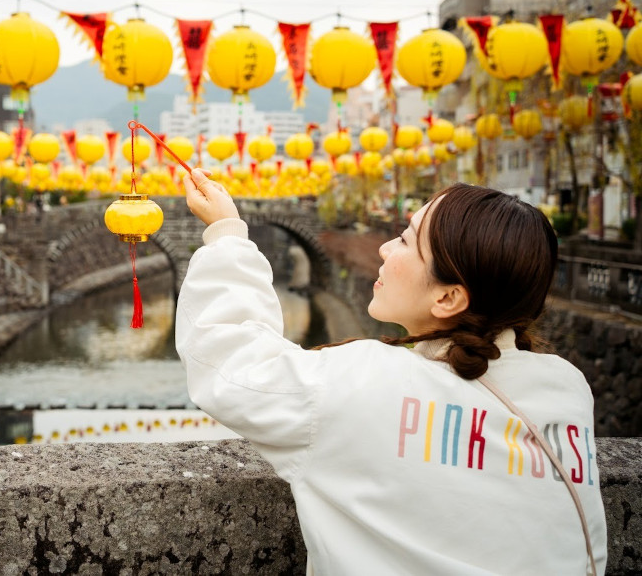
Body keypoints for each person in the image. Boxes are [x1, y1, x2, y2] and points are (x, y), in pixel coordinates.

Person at [177, 170, 606, 575]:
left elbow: (229, 359)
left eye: (405, 240)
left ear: (449, 297)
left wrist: (226, 233)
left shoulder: (363, 383)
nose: (382, 248)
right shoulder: (566, 389)